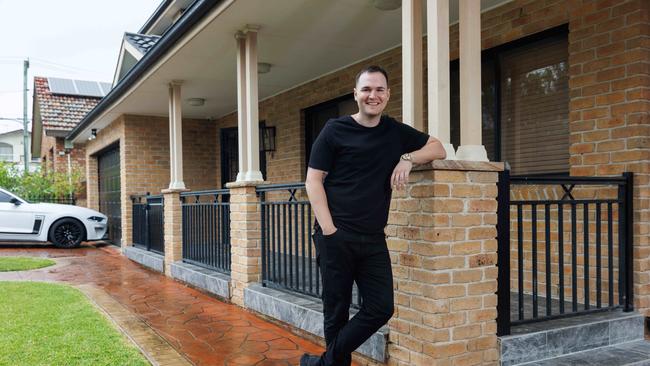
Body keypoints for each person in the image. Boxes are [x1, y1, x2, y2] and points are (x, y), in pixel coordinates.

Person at [301, 65, 446, 366]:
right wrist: (330, 231)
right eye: (366, 89)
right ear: (356, 94)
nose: (373, 95)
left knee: (381, 307)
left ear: (388, 94)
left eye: (379, 89)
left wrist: (407, 158)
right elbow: (313, 180)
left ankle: (323, 363)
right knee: (336, 309)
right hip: (335, 235)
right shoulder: (334, 130)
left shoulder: (394, 132)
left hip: (373, 238)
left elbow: (438, 148)